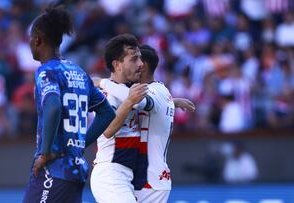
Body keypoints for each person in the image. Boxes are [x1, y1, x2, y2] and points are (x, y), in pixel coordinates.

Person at [22, 5, 117, 203]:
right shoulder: (79, 73)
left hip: (54, 169)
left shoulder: (47, 71)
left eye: (31, 39)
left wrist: (46, 152)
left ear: (37, 40)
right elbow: (107, 113)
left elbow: (53, 106)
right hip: (76, 169)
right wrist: (80, 144)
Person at [95, 44, 195, 203]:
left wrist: (102, 82)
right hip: (149, 177)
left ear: (144, 66)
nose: (133, 66)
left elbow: (137, 101)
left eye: (135, 61)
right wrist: (173, 102)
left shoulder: (153, 92)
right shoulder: (160, 92)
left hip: (150, 178)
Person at [90, 34, 155, 203]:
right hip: (110, 173)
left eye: (140, 58)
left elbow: (145, 103)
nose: (141, 64)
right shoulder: (105, 96)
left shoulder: (124, 90)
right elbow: (107, 131)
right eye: (134, 59)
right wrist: (128, 102)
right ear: (117, 65)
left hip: (127, 174)